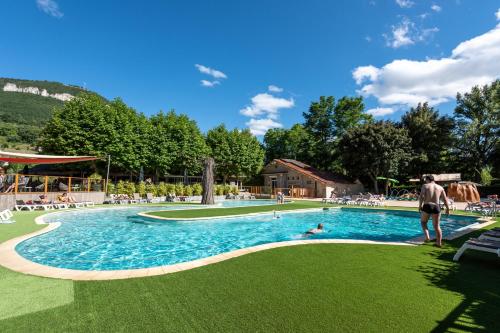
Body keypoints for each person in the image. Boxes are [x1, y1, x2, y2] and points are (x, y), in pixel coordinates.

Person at [419, 175, 450, 248]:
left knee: (423, 222)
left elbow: (422, 196)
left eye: (425, 180)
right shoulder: (440, 187)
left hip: (427, 205)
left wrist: (420, 205)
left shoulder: (425, 186)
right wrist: (448, 209)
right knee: (437, 226)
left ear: (427, 179)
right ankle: (438, 243)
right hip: (436, 206)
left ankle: (427, 237)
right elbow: (445, 199)